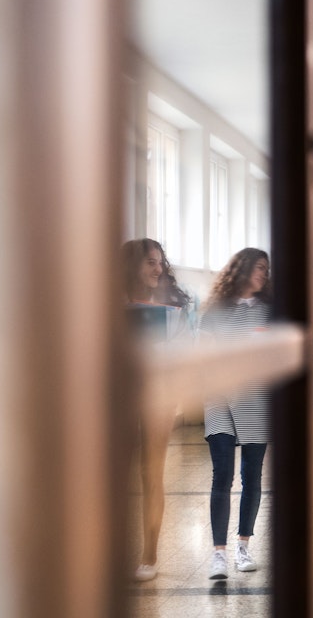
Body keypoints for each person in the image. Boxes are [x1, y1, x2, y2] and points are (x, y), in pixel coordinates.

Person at [199, 248, 272, 580]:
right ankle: (218, 554)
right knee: (222, 474)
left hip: (256, 397)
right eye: (258, 268)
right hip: (218, 397)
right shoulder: (215, 310)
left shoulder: (271, 311)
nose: (263, 274)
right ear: (240, 270)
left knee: (252, 476)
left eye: (266, 270)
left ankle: (243, 546)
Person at [122, 238, 191, 582]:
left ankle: (149, 556)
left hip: (159, 397)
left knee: (151, 476)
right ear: (132, 265)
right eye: (150, 262)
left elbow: (183, 354)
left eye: (160, 262)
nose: (158, 268)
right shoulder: (110, 307)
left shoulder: (173, 309)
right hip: (119, 399)